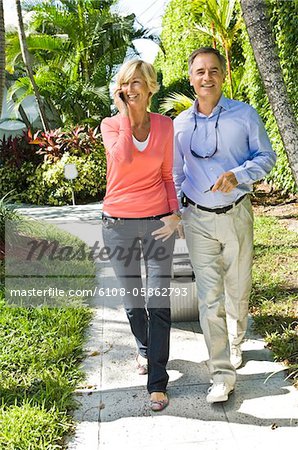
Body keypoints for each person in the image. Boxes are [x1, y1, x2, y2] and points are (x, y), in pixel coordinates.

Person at [173, 47, 276, 403]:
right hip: (197, 217)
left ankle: (236, 340)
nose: (207, 77)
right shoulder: (180, 124)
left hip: (236, 213)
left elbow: (267, 157)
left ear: (222, 75)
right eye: (200, 71)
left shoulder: (244, 115)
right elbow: (174, 173)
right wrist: (175, 211)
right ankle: (221, 373)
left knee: (238, 286)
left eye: (213, 70)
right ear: (191, 78)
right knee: (208, 297)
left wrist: (239, 174)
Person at [100, 59, 181, 411]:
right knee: (134, 304)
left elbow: (166, 175)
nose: (131, 88)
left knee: (158, 303)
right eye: (125, 83)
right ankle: (145, 348)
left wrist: (175, 212)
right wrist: (125, 116)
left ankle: (157, 382)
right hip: (118, 223)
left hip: (158, 223)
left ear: (150, 87)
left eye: (138, 82)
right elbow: (122, 161)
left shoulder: (165, 126)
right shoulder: (110, 125)